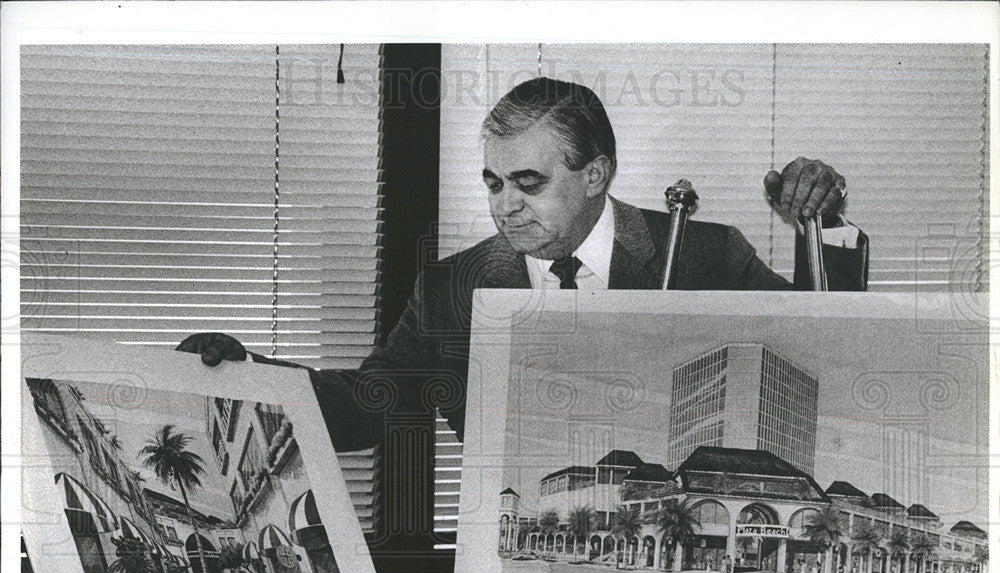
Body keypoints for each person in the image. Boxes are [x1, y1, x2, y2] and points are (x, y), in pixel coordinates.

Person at [178, 77, 868, 454]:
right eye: (492, 182)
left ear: (596, 174)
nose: (504, 206)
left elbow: (825, 356)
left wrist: (819, 227)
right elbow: (370, 406)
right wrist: (245, 376)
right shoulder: (450, 290)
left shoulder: (705, 255)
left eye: (529, 183)